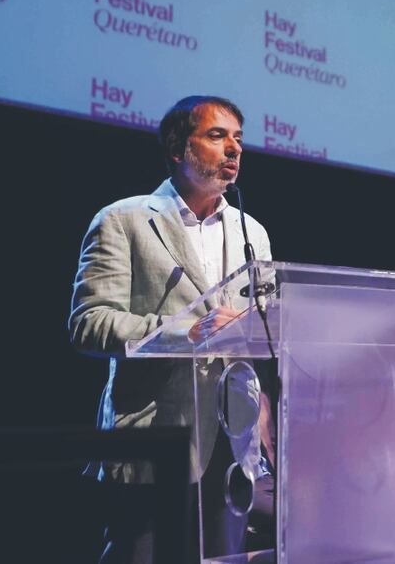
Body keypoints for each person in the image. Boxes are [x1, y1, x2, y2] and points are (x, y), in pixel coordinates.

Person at [70, 95, 273, 563]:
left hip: (232, 438)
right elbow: (89, 322)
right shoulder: (124, 220)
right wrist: (188, 331)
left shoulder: (253, 232)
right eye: (217, 136)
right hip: (156, 432)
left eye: (238, 139)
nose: (234, 149)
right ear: (179, 148)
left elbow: (263, 322)